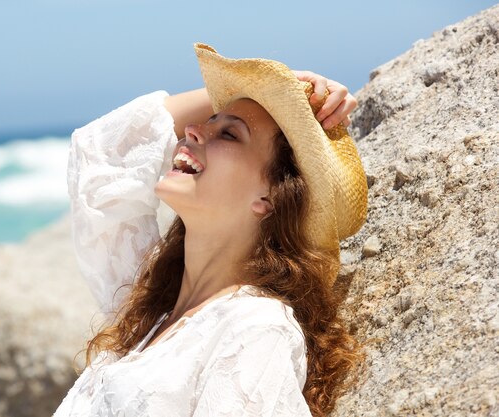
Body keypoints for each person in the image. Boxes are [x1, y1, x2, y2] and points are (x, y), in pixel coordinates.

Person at [54, 43, 368, 417]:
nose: (191, 131)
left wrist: (283, 96)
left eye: (230, 135)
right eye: (207, 122)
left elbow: (105, 154)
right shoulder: (148, 312)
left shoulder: (254, 331)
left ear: (269, 198)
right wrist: (280, 87)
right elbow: (101, 151)